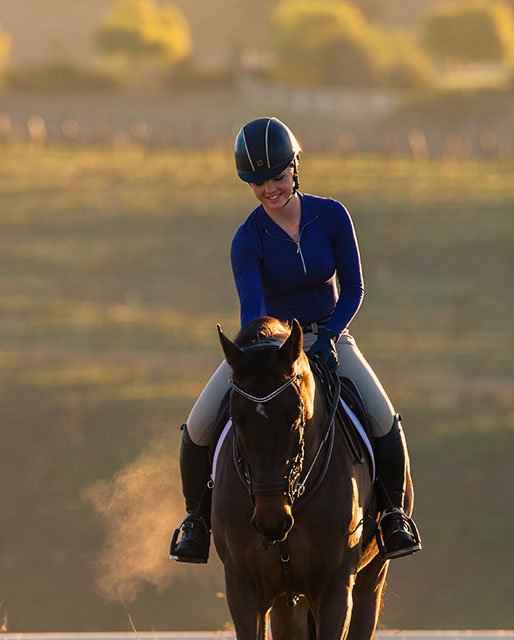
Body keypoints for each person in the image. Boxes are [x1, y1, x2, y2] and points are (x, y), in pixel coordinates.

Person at [169, 117, 421, 564]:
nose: (271, 189)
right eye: (258, 182)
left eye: (278, 177)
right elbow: (252, 312)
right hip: (268, 349)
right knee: (198, 424)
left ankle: (393, 515)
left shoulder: (332, 216)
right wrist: (272, 352)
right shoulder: (246, 240)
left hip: (330, 336)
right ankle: (195, 522)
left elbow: (355, 287)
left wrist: (329, 334)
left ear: (295, 168)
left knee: (382, 416)